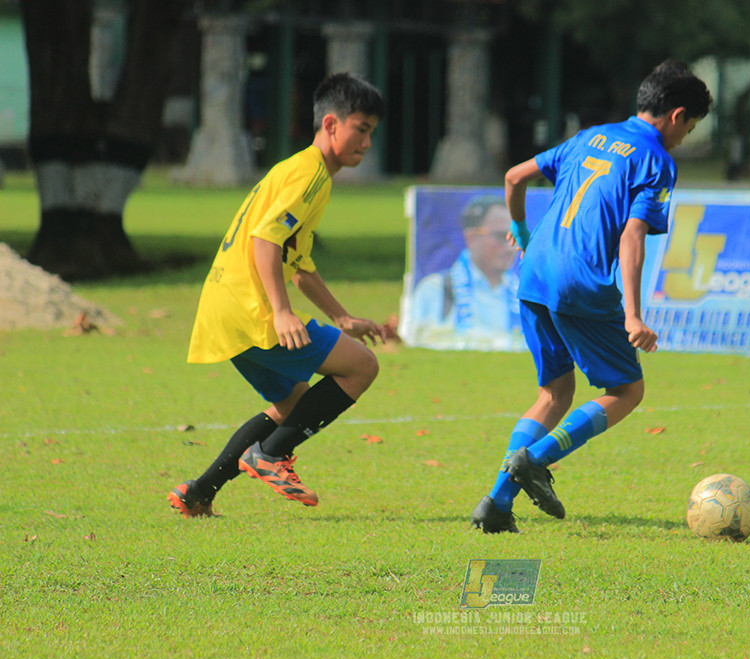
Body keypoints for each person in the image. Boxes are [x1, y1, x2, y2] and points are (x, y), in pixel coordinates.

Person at [471, 59, 713, 533]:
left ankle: (497, 505)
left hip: (534, 273)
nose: (685, 138)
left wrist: (520, 229)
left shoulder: (589, 136)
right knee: (627, 390)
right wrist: (634, 314)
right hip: (577, 281)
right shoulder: (656, 161)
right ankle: (536, 460)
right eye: (691, 127)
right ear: (677, 115)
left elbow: (514, 177)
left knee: (554, 392)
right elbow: (633, 235)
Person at [168, 72, 387, 517]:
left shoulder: (300, 172)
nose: (366, 142)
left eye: (371, 133)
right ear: (331, 124)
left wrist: (342, 317)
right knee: (362, 367)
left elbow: (300, 265)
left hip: (223, 309)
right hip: (253, 310)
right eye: (360, 130)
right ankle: (270, 457)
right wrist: (282, 312)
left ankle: (199, 492)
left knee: (292, 406)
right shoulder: (310, 175)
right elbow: (265, 242)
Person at [405, 194, 523, 351]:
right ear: (472, 238)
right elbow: (417, 342)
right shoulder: (436, 289)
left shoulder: (525, 293)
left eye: (515, 237)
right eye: (501, 237)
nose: (510, 247)